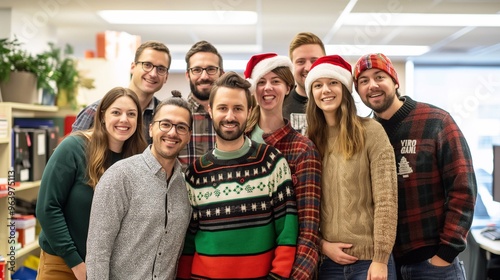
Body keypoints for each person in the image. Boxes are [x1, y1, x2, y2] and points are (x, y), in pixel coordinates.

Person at [353, 53, 477, 280]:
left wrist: (445, 254)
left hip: (433, 264)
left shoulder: (436, 121)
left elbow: (463, 189)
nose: (372, 85)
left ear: (395, 81)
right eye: (363, 81)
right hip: (383, 265)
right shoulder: (364, 134)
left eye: (379, 77)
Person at [177, 72, 298, 279]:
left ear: (250, 111)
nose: (230, 116)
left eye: (238, 108)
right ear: (210, 111)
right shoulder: (195, 174)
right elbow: (187, 244)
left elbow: (287, 232)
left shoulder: (271, 161)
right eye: (222, 108)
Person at [36, 87, 147, 280]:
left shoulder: (139, 159)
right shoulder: (73, 148)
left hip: (110, 268)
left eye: (131, 114)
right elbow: (47, 208)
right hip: (63, 263)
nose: (124, 120)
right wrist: (76, 264)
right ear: (102, 116)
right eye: (116, 112)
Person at [305, 54, 398, 279]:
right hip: (327, 263)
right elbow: (304, 206)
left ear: (345, 89)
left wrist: (380, 259)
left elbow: (386, 200)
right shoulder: (309, 140)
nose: (325, 90)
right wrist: (321, 244)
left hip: (368, 263)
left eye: (333, 83)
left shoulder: (371, 132)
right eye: (318, 85)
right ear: (312, 94)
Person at [85, 92, 193, 280]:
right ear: (151, 129)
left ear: (189, 136)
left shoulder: (185, 188)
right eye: (165, 124)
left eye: (181, 127)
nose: (172, 132)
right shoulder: (120, 176)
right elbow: (97, 253)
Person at [244, 53, 322, 279]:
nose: (268, 88)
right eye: (261, 81)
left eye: (275, 81)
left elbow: (309, 231)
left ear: (288, 87)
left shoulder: (303, 149)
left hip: (289, 270)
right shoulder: (238, 142)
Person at [72, 40, 171, 144]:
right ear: (133, 67)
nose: (153, 74)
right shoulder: (96, 111)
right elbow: (72, 151)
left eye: (161, 69)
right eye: (147, 65)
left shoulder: (164, 117)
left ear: (166, 77)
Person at [179, 40, 224, 169]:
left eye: (211, 69)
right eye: (197, 70)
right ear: (188, 75)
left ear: (221, 73)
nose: (204, 76)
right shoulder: (176, 116)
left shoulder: (233, 116)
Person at [283, 32, 326, 134]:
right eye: (300, 62)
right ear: (291, 66)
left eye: (314, 60)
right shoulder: (279, 104)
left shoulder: (334, 102)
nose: (308, 68)